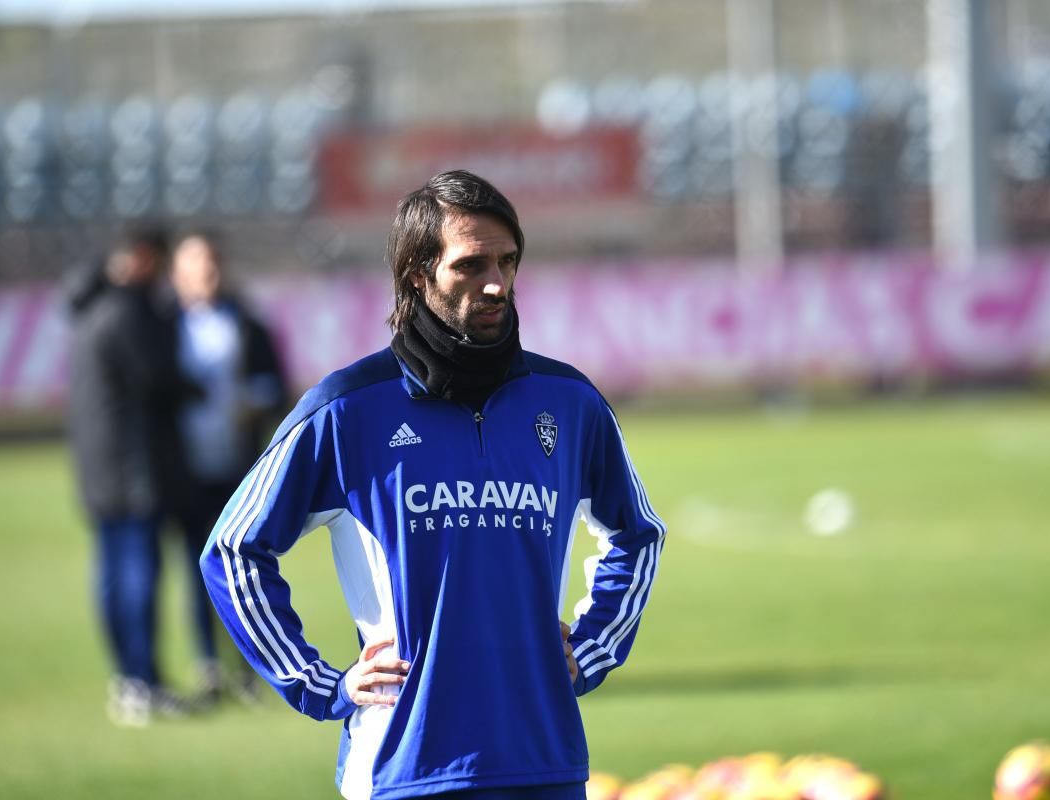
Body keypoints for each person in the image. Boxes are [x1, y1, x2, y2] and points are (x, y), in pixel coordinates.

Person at [201, 170, 666, 799]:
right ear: (418, 275)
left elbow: (638, 535)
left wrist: (593, 646)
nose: (497, 283)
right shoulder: (346, 409)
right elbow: (232, 550)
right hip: (404, 768)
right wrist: (316, 682)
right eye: (471, 265)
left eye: (507, 261)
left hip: (545, 764)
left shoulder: (570, 402)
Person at [65, 226, 194, 726]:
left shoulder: (88, 307)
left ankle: (128, 680)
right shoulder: (129, 312)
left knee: (112, 576)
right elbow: (158, 380)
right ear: (144, 258)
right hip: (133, 468)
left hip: (95, 468)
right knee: (140, 576)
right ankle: (143, 682)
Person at [169, 232, 287, 703]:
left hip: (239, 468)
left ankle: (250, 667)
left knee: (246, 570)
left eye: (214, 261)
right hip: (186, 468)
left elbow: (275, 386)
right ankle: (208, 665)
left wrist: (253, 403)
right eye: (196, 263)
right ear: (179, 272)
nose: (208, 272)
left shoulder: (249, 325)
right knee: (195, 567)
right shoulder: (164, 329)